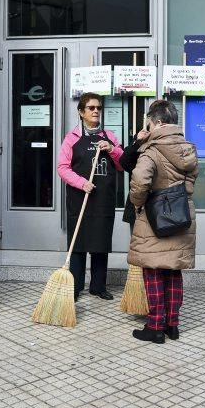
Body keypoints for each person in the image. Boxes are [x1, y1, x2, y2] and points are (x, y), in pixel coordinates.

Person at [127, 100, 198, 343]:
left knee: (153, 270)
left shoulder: (153, 149)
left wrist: (137, 202)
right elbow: (190, 181)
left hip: (156, 216)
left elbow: (140, 181)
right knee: (173, 269)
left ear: (157, 122)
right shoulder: (188, 147)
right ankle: (172, 325)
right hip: (182, 214)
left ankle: (155, 326)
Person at [58, 93, 124, 302]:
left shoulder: (110, 137)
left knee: (100, 242)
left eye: (98, 108)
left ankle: (98, 286)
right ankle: (76, 286)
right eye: (91, 108)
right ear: (81, 112)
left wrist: (112, 150)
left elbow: (123, 165)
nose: (96, 111)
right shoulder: (72, 138)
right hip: (80, 199)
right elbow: (62, 168)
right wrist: (81, 183)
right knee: (78, 243)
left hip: (103, 199)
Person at [119, 117, 152, 230]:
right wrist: (138, 142)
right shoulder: (139, 145)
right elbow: (124, 161)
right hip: (137, 206)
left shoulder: (168, 143)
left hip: (161, 204)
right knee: (137, 243)